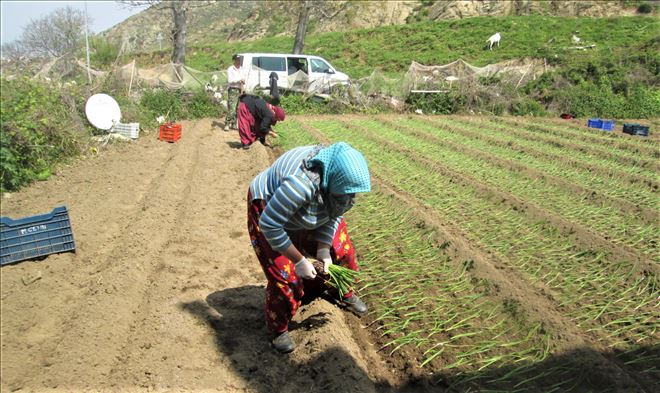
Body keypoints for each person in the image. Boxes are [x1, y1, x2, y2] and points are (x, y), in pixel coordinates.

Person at [247, 142, 371, 353]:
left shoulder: (338, 186)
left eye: (350, 196)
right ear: (330, 183)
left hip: (310, 203)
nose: (349, 200)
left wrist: (323, 249)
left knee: (343, 251)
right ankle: (279, 328)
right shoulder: (300, 185)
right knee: (285, 275)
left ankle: (341, 291)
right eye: (344, 195)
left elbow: (335, 213)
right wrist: (299, 260)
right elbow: (270, 225)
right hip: (270, 209)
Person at [225, 54, 245, 131]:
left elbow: (243, 78)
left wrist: (243, 81)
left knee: (238, 108)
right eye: (237, 60)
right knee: (232, 108)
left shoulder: (242, 69)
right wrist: (239, 80)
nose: (239, 61)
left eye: (239, 60)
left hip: (240, 89)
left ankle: (234, 123)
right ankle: (227, 123)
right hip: (233, 89)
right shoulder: (230, 69)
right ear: (234, 60)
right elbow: (230, 80)